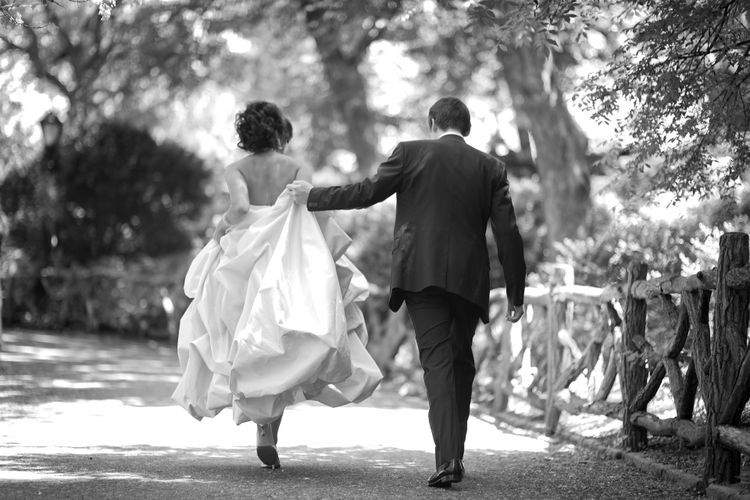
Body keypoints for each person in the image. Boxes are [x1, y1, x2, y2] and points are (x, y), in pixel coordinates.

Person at [287, 97, 526, 488]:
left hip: (420, 274)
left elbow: (367, 192)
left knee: (438, 361)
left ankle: (448, 458)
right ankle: (454, 455)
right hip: (469, 279)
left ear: (433, 122)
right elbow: (508, 233)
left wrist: (313, 196)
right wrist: (515, 292)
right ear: (466, 128)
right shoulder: (491, 167)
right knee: (460, 361)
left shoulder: (410, 153)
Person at [172, 101, 383, 470]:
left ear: (245, 135)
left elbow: (239, 209)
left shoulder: (236, 168)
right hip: (288, 261)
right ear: (279, 132)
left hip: (247, 259)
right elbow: (313, 208)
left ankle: (263, 426)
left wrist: (220, 227)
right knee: (282, 343)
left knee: (243, 338)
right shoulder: (297, 167)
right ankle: (269, 428)